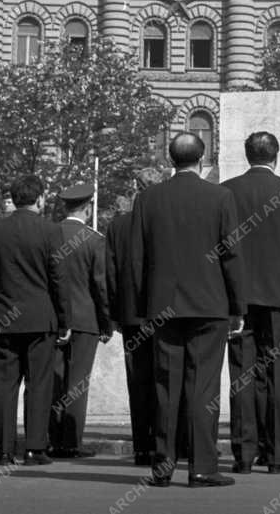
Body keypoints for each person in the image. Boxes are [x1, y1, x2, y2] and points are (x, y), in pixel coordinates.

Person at [130, 131, 245, 489]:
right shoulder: (221, 197)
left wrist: (139, 307)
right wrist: (237, 306)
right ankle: (201, 467)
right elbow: (232, 255)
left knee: (166, 386)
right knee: (203, 389)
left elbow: (137, 257)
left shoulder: (148, 199)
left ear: (170, 159)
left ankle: (163, 466)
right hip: (209, 305)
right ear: (203, 158)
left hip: (163, 307)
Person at [223, 131, 280, 475]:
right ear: (276, 155)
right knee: (278, 373)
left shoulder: (228, 191)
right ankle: (278, 455)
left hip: (239, 299)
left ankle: (244, 454)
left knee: (242, 376)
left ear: (247, 155)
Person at [0, 174, 71, 466]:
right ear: (40, 198)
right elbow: (59, 278)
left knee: (5, 385)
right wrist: (65, 319)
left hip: (3, 318)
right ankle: (35, 447)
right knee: (39, 384)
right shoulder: (51, 231)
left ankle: (5, 449)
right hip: (40, 318)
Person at [49, 184, 112, 458]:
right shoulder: (94, 240)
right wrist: (106, 322)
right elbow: (100, 285)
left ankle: (51, 438)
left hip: (53, 319)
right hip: (86, 320)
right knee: (78, 382)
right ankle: (71, 441)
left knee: (54, 379)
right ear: (87, 208)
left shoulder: (50, 235)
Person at [106, 178, 162, 466]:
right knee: (167, 380)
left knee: (138, 382)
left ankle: (142, 446)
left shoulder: (118, 226)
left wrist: (114, 314)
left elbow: (111, 274)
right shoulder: (165, 219)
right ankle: (169, 444)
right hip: (164, 313)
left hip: (131, 315)